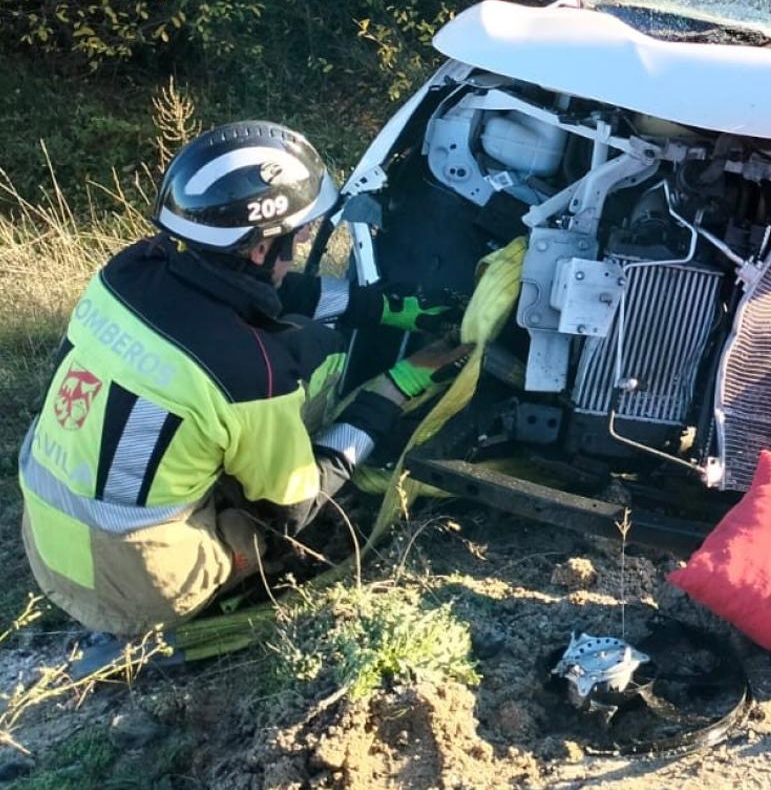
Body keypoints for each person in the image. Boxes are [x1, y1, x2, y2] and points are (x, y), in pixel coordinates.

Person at [18, 121, 465, 636]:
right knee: (309, 380)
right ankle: (214, 580)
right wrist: (400, 383)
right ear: (258, 249)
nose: (299, 248)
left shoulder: (129, 271)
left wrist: (384, 308)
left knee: (243, 381)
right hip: (136, 585)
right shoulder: (252, 374)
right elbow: (298, 505)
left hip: (45, 542)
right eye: (296, 237)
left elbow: (269, 290)